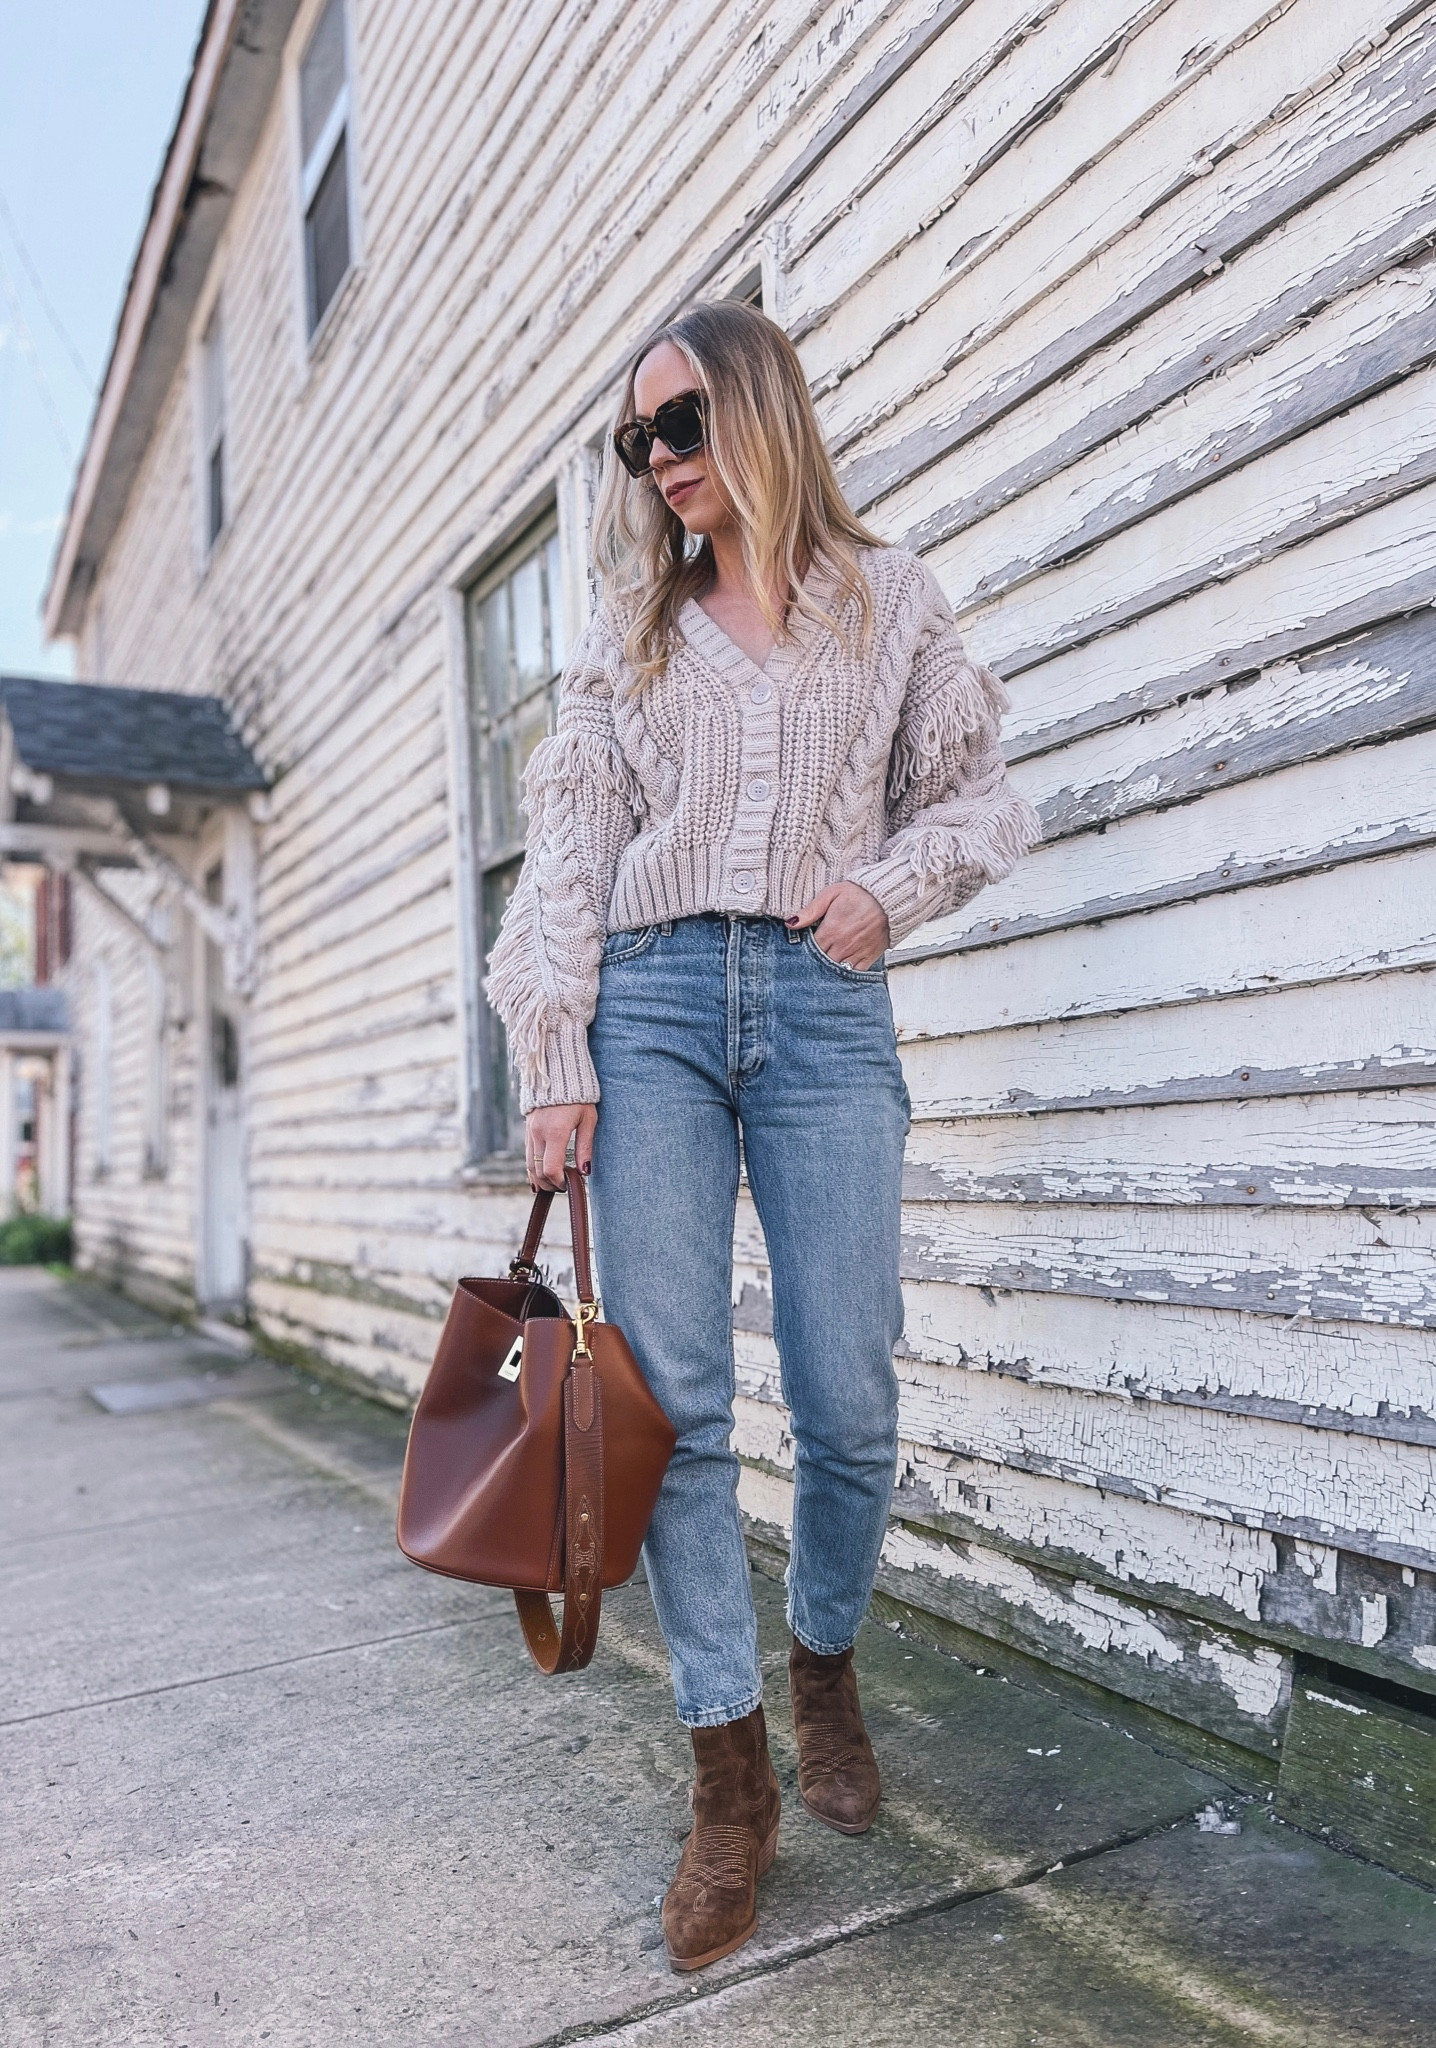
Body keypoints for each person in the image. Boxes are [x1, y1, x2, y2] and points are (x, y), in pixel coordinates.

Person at [488, 300, 1038, 1972]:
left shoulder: (892, 606)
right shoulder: (628, 632)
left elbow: (987, 795)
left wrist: (888, 886)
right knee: (681, 1404)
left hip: (817, 1008)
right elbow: (569, 841)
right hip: (649, 1004)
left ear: (758, 410)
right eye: (636, 444)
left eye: (680, 426)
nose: (660, 467)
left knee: (851, 1389)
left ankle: (822, 1660)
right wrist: (552, 1051)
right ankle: (731, 1776)